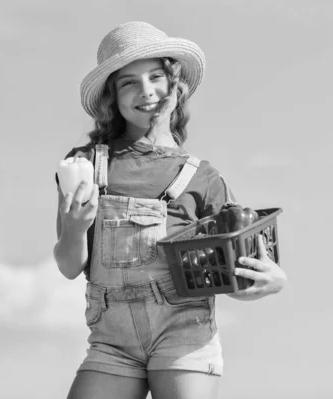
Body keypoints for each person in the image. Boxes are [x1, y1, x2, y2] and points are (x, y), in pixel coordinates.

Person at [53, 22, 287, 399]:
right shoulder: (85, 165)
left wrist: (271, 282)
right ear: (113, 96)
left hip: (185, 334)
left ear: (175, 85)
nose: (147, 91)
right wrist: (75, 228)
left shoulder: (203, 178)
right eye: (129, 82)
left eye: (156, 76)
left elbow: (235, 277)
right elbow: (68, 266)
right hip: (111, 341)